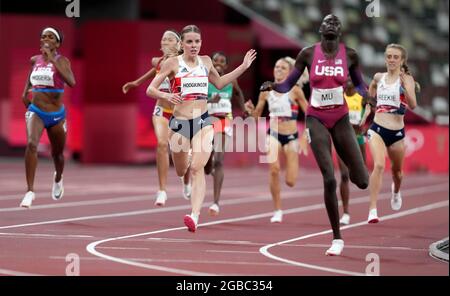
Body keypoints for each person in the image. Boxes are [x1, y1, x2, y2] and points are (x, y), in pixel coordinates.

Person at [260, 14, 369, 256]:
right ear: (320, 28)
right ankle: (337, 238)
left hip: (341, 118)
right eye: (326, 21)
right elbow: (288, 84)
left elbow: (360, 84)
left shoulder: (350, 54)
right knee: (329, 178)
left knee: (362, 180)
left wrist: (368, 96)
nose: (330, 24)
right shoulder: (308, 54)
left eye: (335, 22)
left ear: (340, 30)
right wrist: (273, 86)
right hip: (316, 118)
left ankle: (353, 170)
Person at [147, 25, 256, 232]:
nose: (194, 45)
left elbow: (222, 82)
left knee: (198, 169)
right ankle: (184, 164)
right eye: (189, 42)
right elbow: (150, 89)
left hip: (203, 122)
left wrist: (243, 66)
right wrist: (167, 96)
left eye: (197, 41)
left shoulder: (206, 62)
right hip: (179, 123)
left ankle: (194, 215)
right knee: (181, 169)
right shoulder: (172, 63)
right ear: (182, 44)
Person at [122, 29, 191, 206]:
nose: (166, 42)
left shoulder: (186, 63)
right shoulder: (160, 61)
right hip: (161, 110)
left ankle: (186, 180)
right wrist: (136, 83)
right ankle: (162, 190)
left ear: (178, 45)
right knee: (161, 144)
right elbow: (155, 71)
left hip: (180, 113)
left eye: (170, 39)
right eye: (164, 39)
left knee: (182, 156)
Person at [245, 57, 308, 223]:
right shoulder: (266, 90)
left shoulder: (295, 90)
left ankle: (290, 178)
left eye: (282, 68)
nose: (278, 70)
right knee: (273, 169)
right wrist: (250, 111)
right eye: (276, 67)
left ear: (289, 72)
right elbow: (257, 115)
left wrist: (305, 137)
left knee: (290, 181)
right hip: (273, 133)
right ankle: (277, 209)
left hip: (292, 136)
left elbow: (310, 113)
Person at [20, 27, 76, 208]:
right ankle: (30, 191)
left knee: (57, 154)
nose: (46, 39)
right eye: (43, 36)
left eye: (51, 37)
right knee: (31, 144)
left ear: (57, 43)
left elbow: (71, 82)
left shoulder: (62, 61)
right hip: (36, 110)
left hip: (56, 115)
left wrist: (52, 59)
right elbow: (30, 77)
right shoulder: (35, 60)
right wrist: (23, 94)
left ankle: (58, 178)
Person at [366, 44, 417, 223]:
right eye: (389, 56)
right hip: (377, 129)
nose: (392, 60)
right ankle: (372, 209)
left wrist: (405, 87)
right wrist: (368, 106)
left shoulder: (407, 79)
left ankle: (396, 192)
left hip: (396, 134)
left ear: (402, 60)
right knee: (379, 165)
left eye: (396, 57)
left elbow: (413, 104)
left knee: (398, 173)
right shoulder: (378, 77)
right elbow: (370, 91)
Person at [203, 51, 248, 216]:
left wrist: (243, 111)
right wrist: (209, 100)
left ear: (226, 66)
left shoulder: (231, 80)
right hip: (207, 121)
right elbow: (195, 100)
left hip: (224, 121)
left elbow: (238, 93)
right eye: (215, 61)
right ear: (211, 64)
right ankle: (210, 171)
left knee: (219, 160)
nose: (218, 64)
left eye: (222, 62)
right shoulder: (205, 80)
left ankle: (215, 202)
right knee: (207, 166)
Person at [338, 78, 371, 225]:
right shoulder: (339, 97)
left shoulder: (362, 98)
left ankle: (356, 172)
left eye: (352, 78)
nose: (349, 81)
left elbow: (375, 110)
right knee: (344, 175)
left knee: (362, 179)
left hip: (358, 139)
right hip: (342, 139)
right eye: (347, 79)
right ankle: (345, 212)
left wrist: (366, 126)